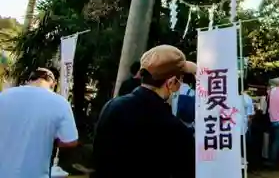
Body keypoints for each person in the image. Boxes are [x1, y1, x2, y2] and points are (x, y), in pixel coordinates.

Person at [92, 45, 197, 178]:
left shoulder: (112, 106)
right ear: (171, 83)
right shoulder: (175, 129)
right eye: (180, 80)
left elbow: (98, 159)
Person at [0, 68, 79, 178]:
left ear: (29, 80)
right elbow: (70, 141)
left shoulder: (4, 96)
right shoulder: (60, 103)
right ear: (53, 84)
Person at [267, 77, 279, 169]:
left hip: (272, 120)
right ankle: (273, 162)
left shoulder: (272, 91)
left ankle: (273, 160)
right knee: (278, 142)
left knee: (274, 141)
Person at [239, 81, 254, 170]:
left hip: (233, 127)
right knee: (244, 146)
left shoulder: (233, 97)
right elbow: (250, 115)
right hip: (244, 127)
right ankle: (244, 163)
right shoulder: (247, 98)